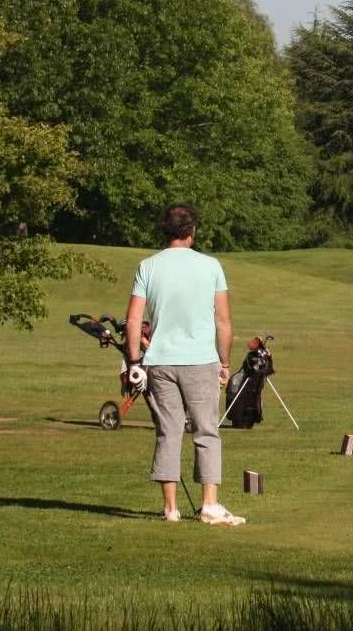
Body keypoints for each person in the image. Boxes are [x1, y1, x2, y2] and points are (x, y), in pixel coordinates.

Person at [124, 204, 245, 526]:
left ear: (165, 231)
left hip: (159, 363)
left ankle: (170, 509)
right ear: (192, 231)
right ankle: (209, 503)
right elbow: (224, 320)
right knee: (206, 431)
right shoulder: (211, 266)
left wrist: (135, 360)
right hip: (200, 361)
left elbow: (134, 319)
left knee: (169, 432)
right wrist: (225, 362)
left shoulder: (147, 266)